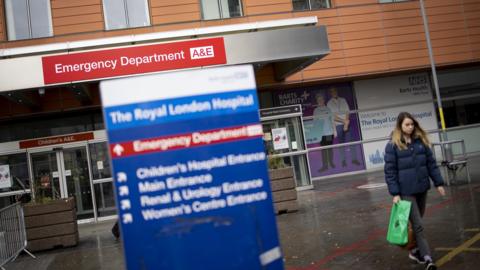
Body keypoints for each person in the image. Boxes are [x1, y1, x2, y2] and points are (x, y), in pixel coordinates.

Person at [384, 112, 446, 270]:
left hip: (422, 189)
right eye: (407, 125)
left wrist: (438, 183)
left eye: (412, 124)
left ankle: (414, 250)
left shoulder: (420, 141)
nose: (410, 127)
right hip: (406, 192)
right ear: (400, 126)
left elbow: (431, 164)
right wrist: (395, 193)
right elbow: (390, 171)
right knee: (418, 225)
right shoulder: (393, 145)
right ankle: (428, 259)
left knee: (416, 223)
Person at [326, 87, 360, 167]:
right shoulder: (329, 103)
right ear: (330, 93)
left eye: (335, 90)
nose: (334, 92)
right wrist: (344, 122)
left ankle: (354, 159)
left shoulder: (343, 100)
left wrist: (346, 123)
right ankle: (343, 161)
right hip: (338, 125)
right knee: (341, 144)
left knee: (352, 141)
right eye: (332, 91)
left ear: (336, 91)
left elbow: (347, 111)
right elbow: (333, 116)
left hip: (346, 123)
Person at [313, 93, 337, 172]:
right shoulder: (316, 111)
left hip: (329, 133)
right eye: (318, 100)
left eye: (321, 99)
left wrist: (335, 131)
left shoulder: (328, 109)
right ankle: (325, 166)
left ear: (324, 100)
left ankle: (331, 162)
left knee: (330, 149)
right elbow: (315, 123)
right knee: (323, 150)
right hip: (321, 135)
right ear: (317, 101)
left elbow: (332, 120)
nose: (320, 101)